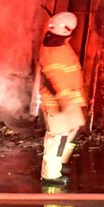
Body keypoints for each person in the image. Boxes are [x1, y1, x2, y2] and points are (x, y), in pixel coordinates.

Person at [37, 11, 87, 187]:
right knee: (58, 138)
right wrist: (66, 104)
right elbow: (57, 81)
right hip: (58, 103)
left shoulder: (57, 45)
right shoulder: (55, 53)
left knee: (74, 128)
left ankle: (60, 162)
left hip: (68, 100)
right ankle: (51, 175)